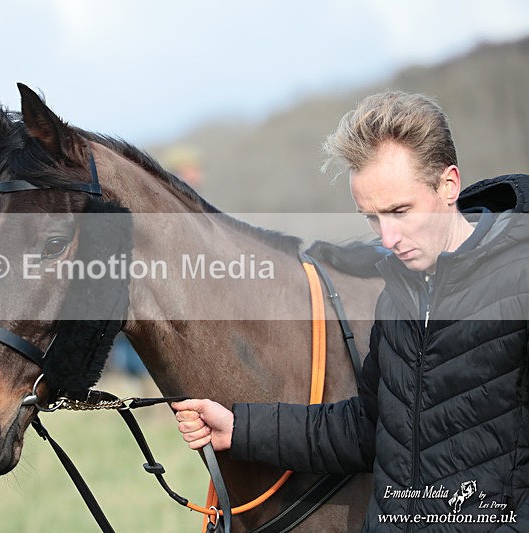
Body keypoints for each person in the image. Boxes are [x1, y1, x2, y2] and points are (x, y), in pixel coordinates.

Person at [172, 91, 529, 531]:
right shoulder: (398, 297)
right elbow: (367, 429)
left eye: (400, 211)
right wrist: (239, 428)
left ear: (448, 185)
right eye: (372, 218)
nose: (388, 238)